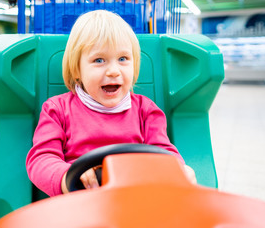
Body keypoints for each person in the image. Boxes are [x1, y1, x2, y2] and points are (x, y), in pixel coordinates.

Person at [26, 10, 196, 197]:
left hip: (135, 200)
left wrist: (179, 169)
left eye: (123, 59)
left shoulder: (146, 111)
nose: (114, 71)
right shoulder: (57, 110)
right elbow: (42, 158)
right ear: (77, 70)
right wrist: (65, 177)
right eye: (99, 60)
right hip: (80, 202)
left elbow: (163, 151)